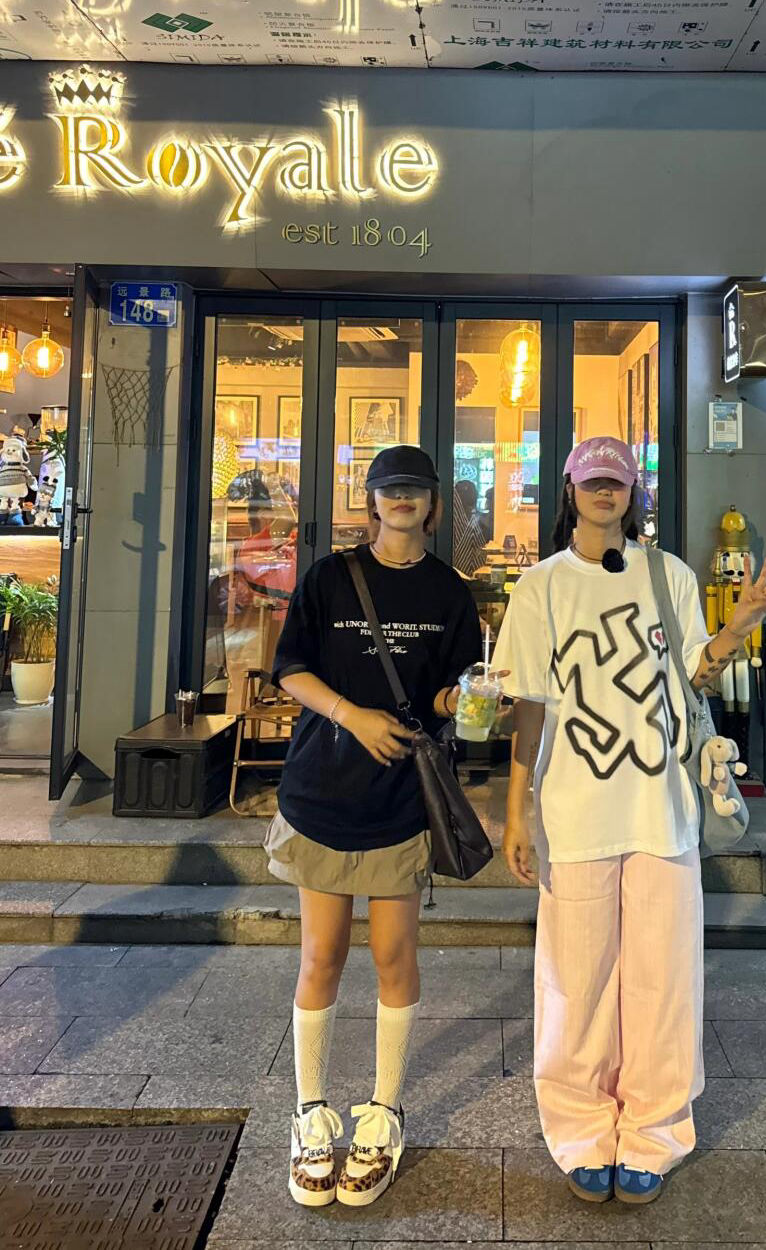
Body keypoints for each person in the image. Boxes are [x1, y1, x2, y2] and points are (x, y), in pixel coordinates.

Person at [492, 435, 766, 1206]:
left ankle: (654, 1130)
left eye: (616, 482)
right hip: (574, 809)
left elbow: (696, 674)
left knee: (663, 979)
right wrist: (515, 811)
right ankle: (581, 1129)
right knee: (575, 983)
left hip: (662, 807)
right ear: (570, 491)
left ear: (633, 494)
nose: (604, 492)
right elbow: (529, 706)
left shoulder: (668, 575)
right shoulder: (541, 587)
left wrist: (739, 625)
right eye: (592, 481)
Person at [266, 444, 482, 1209]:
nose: (401, 500)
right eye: (389, 489)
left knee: (394, 955)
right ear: (372, 500)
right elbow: (290, 668)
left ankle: (385, 1112)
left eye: (414, 490)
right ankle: (310, 1114)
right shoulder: (330, 577)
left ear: (433, 506)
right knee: (321, 955)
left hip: (400, 799)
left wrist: (470, 700)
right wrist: (352, 714)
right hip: (323, 791)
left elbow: (452, 691)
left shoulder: (450, 593)